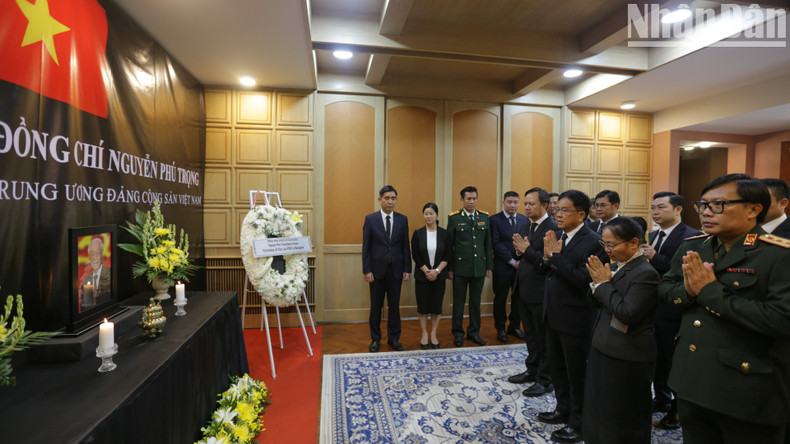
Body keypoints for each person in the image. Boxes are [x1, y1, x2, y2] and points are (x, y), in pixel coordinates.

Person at [657, 174, 790, 443]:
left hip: (745, 388)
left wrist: (709, 292)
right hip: (692, 379)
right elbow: (665, 289)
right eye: (702, 205)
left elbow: (780, 321)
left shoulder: (779, 255)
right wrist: (691, 291)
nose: (706, 212)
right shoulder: (694, 247)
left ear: (754, 209)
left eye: (718, 205)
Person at [536, 190, 608, 444]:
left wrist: (555, 257)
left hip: (576, 318)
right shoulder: (559, 236)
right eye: (557, 209)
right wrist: (547, 258)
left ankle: (578, 423)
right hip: (553, 313)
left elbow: (582, 280)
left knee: (576, 372)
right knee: (557, 368)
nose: (558, 213)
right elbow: (549, 269)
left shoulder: (594, 242)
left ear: (581, 214)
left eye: (564, 210)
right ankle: (562, 409)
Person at [583, 217, 660, 444]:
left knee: (622, 412)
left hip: (628, 353)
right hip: (604, 344)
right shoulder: (617, 265)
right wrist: (597, 284)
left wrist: (604, 285)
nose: (607, 250)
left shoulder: (646, 274)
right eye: (604, 244)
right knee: (600, 404)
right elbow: (599, 301)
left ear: (634, 243)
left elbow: (627, 313)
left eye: (612, 245)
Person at [641, 191, 700, 429]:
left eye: (661, 207)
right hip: (654, 308)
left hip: (675, 311)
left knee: (676, 362)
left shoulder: (692, 237)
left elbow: (683, 274)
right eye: (653, 207)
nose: (655, 212)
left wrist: (655, 257)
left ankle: (677, 411)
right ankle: (662, 398)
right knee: (659, 360)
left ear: (678, 210)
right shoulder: (653, 235)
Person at [509, 187, 557, 397]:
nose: (526, 207)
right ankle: (533, 369)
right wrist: (520, 251)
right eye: (525, 204)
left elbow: (548, 263)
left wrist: (526, 250)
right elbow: (523, 254)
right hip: (524, 288)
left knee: (542, 336)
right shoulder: (527, 224)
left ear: (544, 206)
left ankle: (546, 379)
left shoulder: (552, 228)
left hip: (541, 292)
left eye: (531, 204)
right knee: (530, 334)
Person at [362, 185, 411, 353]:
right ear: (380, 200)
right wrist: (367, 270)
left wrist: (407, 268)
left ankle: (394, 338)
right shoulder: (371, 219)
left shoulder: (403, 219)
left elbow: (406, 246)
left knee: (394, 307)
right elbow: (366, 247)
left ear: (396, 200)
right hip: (376, 272)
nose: (390, 201)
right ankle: (375, 339)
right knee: (376, 306)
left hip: (396, 271)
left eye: (393, 198)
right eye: (387, 198)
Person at [447, 186, 493, 347]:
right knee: (458, 302)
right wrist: (450, 268)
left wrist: (489, 266)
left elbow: (488, 244)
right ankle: (458, 333)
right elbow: (450, 245)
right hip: (460, 267)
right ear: (462, 200)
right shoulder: (454, 218)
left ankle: (474, 332)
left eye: (474, 198)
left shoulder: (484, 217)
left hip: (479, 266)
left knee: (475, 302)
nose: (472, 202)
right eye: (468, 199)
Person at [489, 191, 528, 342]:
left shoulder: (525, 220)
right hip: (503, 267)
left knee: (518, 298)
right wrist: (512, 261)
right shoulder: (494, 220)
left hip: (521, 267)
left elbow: (526, 241)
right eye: (509, 202)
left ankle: (514, 326)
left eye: (515, 202)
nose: (512, 205)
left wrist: (521, 261)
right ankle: (500, 328)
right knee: (500, 298)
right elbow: (496, 244)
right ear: (503, 202)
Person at [411, 202, 450, 349]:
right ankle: (424, 334)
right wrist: (427, 270)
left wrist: (436, 271)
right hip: (422, 276)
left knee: (436, 307)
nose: (428, 216)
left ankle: (433, 333)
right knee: (423, 307)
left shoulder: (445, 234)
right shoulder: (418, 233)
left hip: (439, 276)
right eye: (426, 213)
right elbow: (415, 254)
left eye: (431, 213)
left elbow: (448, 255)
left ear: (437, 215)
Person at [81, 237, 111, 308]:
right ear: (89, 257)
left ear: (102, 254)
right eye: (92, 254)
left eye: (98, 253)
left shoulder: (110, 273)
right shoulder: (85, 282)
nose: (95, 257)